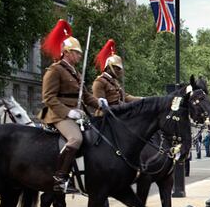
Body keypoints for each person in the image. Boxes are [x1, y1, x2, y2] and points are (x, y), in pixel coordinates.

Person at [39, 20, 106, 193]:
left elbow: (85, 96)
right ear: (67, 53)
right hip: (58, 114)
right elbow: (48, 98)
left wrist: (99, 102)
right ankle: (60, 177)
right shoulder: (55, 70)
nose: (79, 56)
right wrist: (68, 112)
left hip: (77, 113)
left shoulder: (75, 73)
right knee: (76, 139)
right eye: (77, 53)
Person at [91, 39, 139, 112]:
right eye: (118, 69)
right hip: (107, 116)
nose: (120, 72)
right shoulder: (99, 82)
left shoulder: (114, 82)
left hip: (118, 111)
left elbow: (125, 97)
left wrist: (142, 99)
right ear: (109, 68)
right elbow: (100, 106)